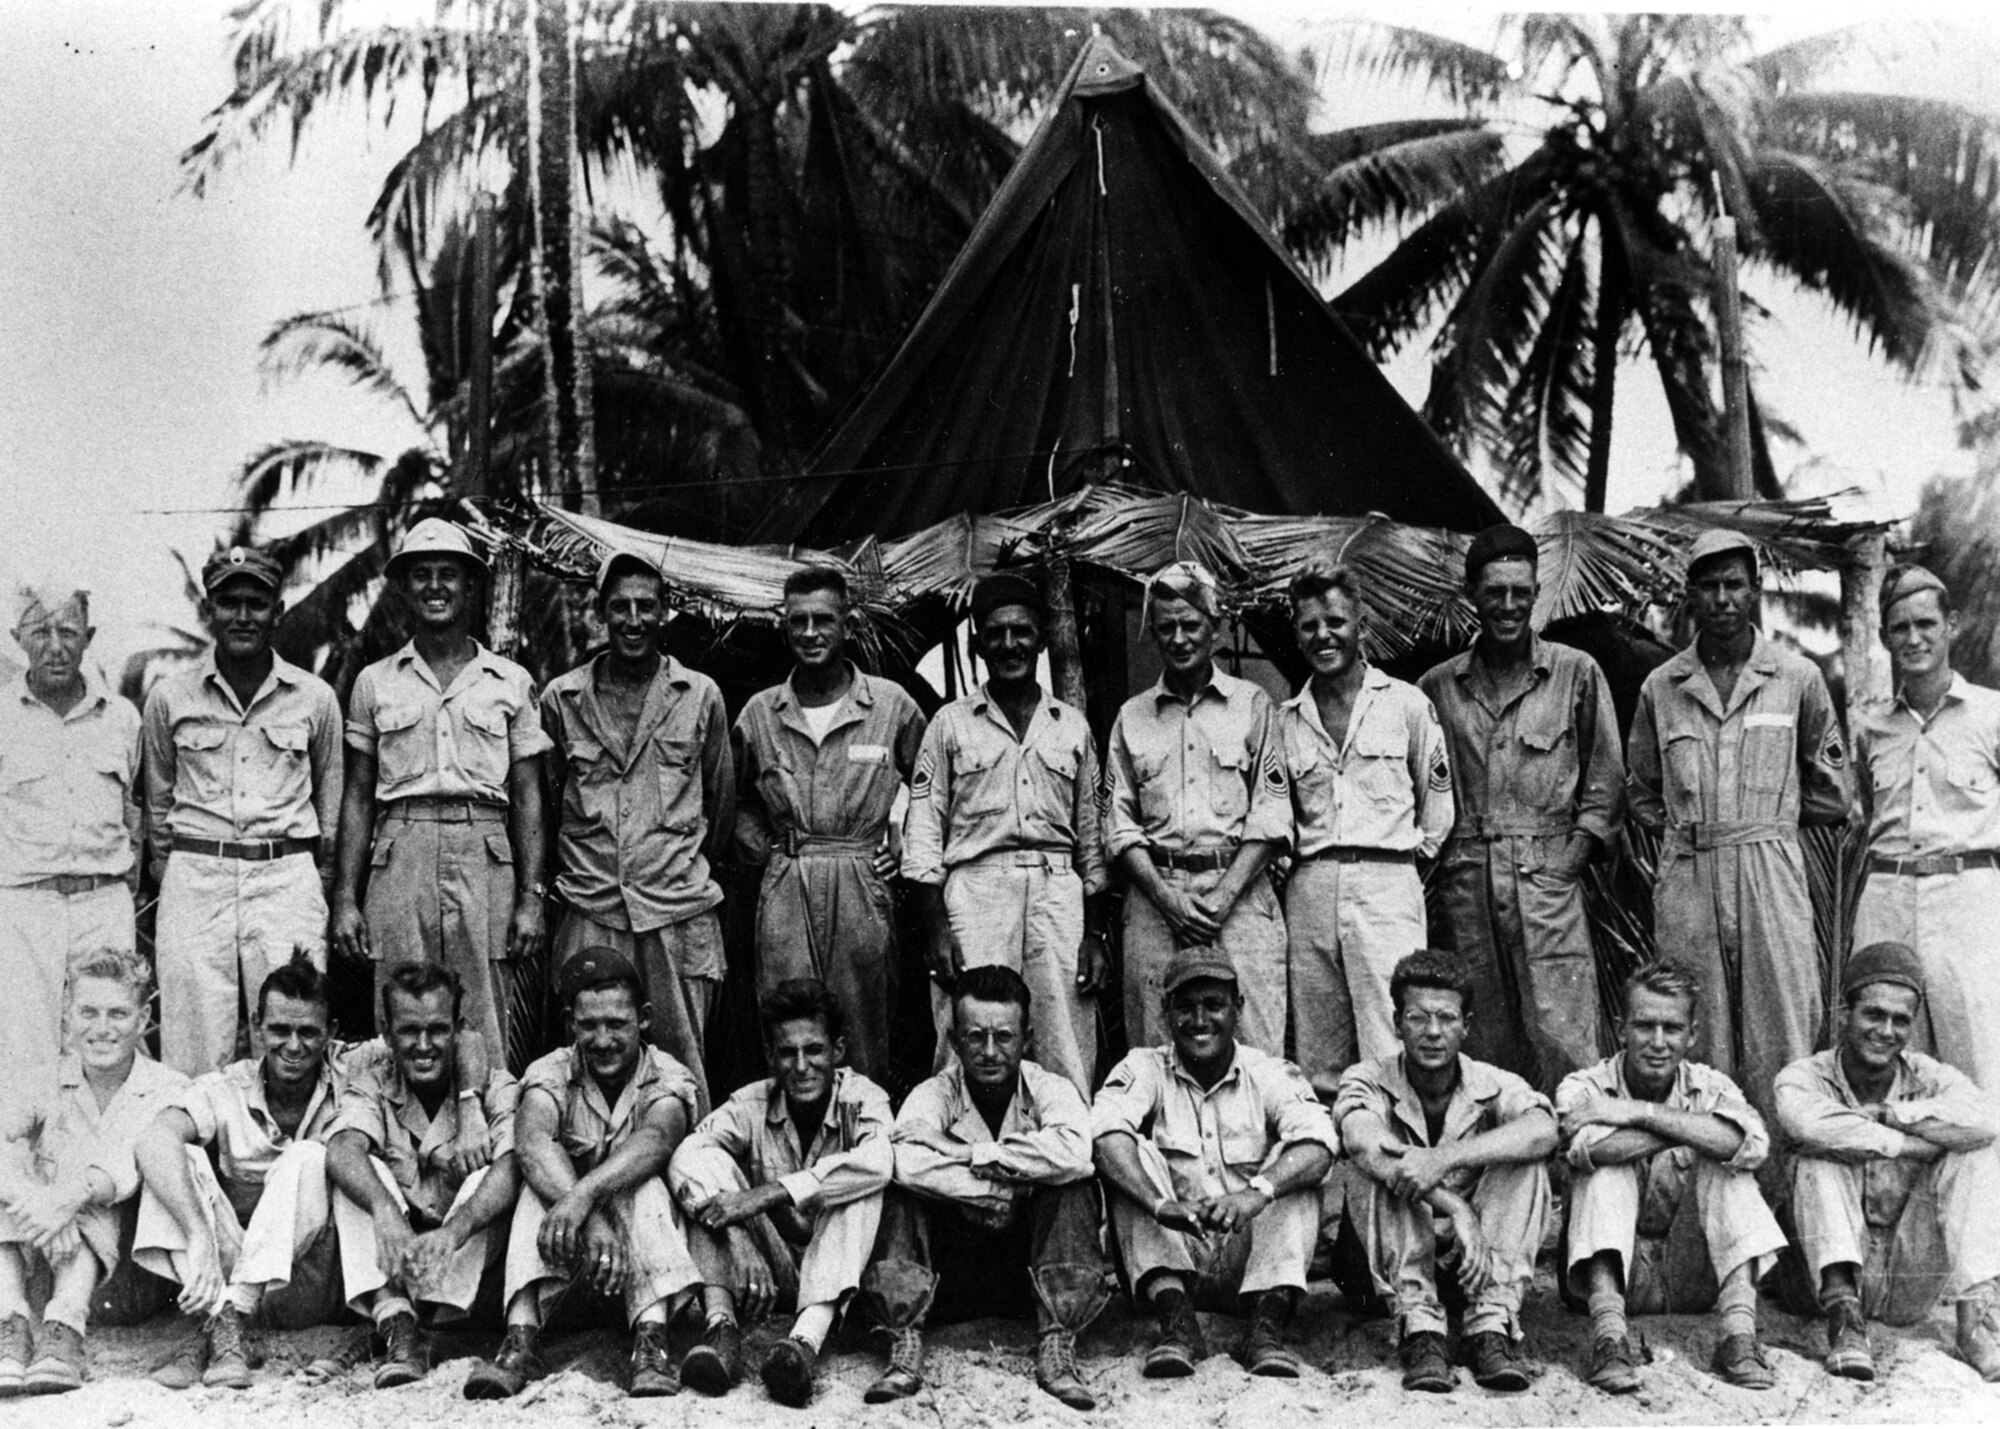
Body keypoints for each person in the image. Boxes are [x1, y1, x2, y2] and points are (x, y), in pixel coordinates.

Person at [1628, 528, 1852, 1130]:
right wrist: (1694, 833)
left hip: (1769, 869)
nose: (1722, 598)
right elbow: (1642, 793)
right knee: (1693, 1033)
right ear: (1690, 597)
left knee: (1781, 1027)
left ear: (1755, 591)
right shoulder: (1662, 687)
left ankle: (1784, 1192)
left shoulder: (1796, 678)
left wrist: (1767, 828)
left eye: (1734, 585)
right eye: (1709, 587)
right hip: (1691, 874)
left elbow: (1832, 793)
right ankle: (1703, 1200)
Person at [333, 517, 551, 1063]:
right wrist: (344, 897)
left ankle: (491, 1139)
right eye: (421, 574)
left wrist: (530, 897)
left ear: (471, 585)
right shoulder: (375, 682)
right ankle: (399, 1144)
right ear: (405, 587)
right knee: (402, 1014)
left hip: (485, 853)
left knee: (486, 1020)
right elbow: (358, 796)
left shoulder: (510, 680)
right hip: (399, 854)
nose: (435, 586)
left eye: (448, 574)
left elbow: (528, 798)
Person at [1420, 523, 1623, 1091]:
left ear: (1537, 593)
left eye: (1519, 592)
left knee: (1564, 1032)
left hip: (1547, 880)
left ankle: (1578, 1156)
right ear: (1472, 596)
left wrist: (1571, 860)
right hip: (1468, 881)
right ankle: (1499, 1162)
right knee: (1481, 1036)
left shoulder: (1574, 672)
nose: (1508, 606)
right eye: (1494, 593)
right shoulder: (1438, 687)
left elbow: (1606, 781)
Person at [862, 965, 1108, 1411]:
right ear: (955, 1042)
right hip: (949, 1276)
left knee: (1073, 1188)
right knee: (899, 1193)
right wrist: (992, 1192)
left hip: (1031, 1274)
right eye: (975, 1037)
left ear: (1028, 1040)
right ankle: (903, 1337)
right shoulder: (934, 1093)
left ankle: (1058, 1342)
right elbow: (905, 1161)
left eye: (1004, 1037)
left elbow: (1075, 1153)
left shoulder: (1051, 1089)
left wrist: (971, 1155)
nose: (990, 1051)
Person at [901, 571, 1109, 1095]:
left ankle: (1066, 1158)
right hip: (976, 893)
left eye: (1021, 632)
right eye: (995, 633)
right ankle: (955, 1156)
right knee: (969, 1033)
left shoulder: (1071, 725)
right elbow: (923, 831)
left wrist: (1095, 932)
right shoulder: (949, 725)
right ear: (977, 644)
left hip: (1057, 893)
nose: (1009, 644)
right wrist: (934, 927)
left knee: (1063, 1037)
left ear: (1040, 640)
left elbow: (1092, 837)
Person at [541, 551, 735, 1111]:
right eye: (619, 607)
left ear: (665, 612)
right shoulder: (563, 698)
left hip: (675, 912)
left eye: (646, 607)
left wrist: (673, 864)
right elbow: (547, 806)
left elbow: (719, 806)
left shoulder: (700, 696)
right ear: (601, 613)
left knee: (683, 1073)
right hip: (591, 908)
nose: (633, 620)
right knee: (583, 1076)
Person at [464, 946, 702, 1401]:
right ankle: (521, 1339)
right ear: (571, 1022)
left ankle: (651, 1345)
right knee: (535, 1186)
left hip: (644, 1272)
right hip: (567, 1261)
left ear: (644, 1019)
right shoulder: (552, 1069)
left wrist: (582, 1197)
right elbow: (532, 1142)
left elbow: (656, 1140)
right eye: (589, 1025)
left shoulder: (667, 1074)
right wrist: (584, 1213)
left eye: (617, 1024)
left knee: (643, 1182)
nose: (603, 1039)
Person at [142, 545, 343, 1077]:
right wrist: (177, 868)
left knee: (291, 1034)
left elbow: (331, 800)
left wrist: (315, 877)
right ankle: (188, 1157)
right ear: (210, 610)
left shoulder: (314, 698)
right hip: (196, 876)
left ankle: (290, 1155)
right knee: (191, 1036)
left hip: (284, 878)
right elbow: (158, 802)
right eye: (229, 603)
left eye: (257, 603)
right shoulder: (170, 697)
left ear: (277, 612)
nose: (243, 616)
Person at [1092, 947, 1335, 1380]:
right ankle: (1178, 1325)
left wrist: (1255, 1193)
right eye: (1185, 1007)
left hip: (1251, 1258)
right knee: (1130, 1157)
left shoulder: (1268, 1071)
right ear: (1166, 1011)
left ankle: (1266, 1329)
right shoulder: (1144, 1067)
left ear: (1238, 1008)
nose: (1199, 1020)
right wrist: (1160, 1205)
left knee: (1293, 1166)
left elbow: (1320, 1142)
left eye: (1213, 1005)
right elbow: (1104, 1133)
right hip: (1176, 1254)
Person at [1556, 960, 1785, 1395]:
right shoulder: (1585, 1086)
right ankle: (1608, 1339)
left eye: (1672, 1029)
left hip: (1692, 1277)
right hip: (1605, 1278)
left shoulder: (1711, 1085)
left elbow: (1750, 1145)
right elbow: (1589, 1146)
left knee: (1730, 1169)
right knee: (1607, 1169)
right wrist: (1689, 1128)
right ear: (1622, 1028)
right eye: (1645, 1026)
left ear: (1692, 1035)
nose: (1658, 1043)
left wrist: (1639, 1113)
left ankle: (1738, 1336)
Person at [131, 955, 361, 1388]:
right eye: (279, 1030)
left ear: (329, 1034)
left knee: (308, 1156)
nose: (293, 1046)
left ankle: (225, 1321)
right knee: (182, 1157)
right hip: (222, 1276)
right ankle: (226, 1323)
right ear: (257, 1027)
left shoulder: (354, 1072)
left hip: (305, 1286)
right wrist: (199, 1233)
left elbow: (453, 1035)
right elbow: (153, 1141)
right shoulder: (228, 1086)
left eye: (308, 1032)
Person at [1776, 940, 2000, 1383]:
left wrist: (1893, 1115)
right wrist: (1915, 1143)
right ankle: (1846, 1325)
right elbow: (1807, 1124)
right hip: (1817, 1284)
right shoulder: (1807, 1076)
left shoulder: (1928, 1075)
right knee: (1819, 1158)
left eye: (1900, 1020)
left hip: (1906, 1278)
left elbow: (1987, 1121)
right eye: (1873, 1014)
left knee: (1975, 1155)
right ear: (1845, 1014)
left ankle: (1975, 1323)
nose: (1886, 1031)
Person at [733, 567, 925, 1082]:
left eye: (824, 619)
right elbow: (730, 796)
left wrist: (904, 834)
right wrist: (758, 840)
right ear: (785, 626)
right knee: (785, 1020)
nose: (811, 633)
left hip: (862, 877)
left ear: (849, 623)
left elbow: (932, 785)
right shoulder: (760, 714)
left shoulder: (890, 706)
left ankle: (864, 1143)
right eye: (799, 622)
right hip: (788, 880)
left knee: (860, 1022)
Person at [1334, 950, 1555, 1394]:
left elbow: (1543, 1130)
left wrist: (1445, 1158)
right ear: (1397, 1023)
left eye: (1447, 1019)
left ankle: (1490, 1324)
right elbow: (1361, 1138)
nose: (1433, 1032)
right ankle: (1421, 1332)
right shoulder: (1368, 1077)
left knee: (1526, 1161)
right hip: (1380, 1270)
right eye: (1418, 1018)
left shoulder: (1493, 1082)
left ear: (1466, 1026)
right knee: (1374, 1165)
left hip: (1471, 1266)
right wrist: (1456, 1206)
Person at [669, 978, 891, 1407]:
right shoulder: (752, 1103)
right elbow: (685, 1156)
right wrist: (736, 1228)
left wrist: (770, 1194)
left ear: (838, 1051)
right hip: (763, 1271)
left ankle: (804, 1344)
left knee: (861, 1185)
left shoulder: (862, 1098)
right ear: (771, 1057)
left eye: (814, 1051)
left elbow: (881, 1161)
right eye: (788, 1053)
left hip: (839, 1272)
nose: (802, 1066)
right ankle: (721, 1331)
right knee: (706, 1171)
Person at [1276, 563, 1453, 1089]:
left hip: (1387, 880)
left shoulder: (1405, 704)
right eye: (1309, 626)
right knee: (1320, 1047)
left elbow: (1438, 803)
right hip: (1311, 886)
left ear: (1360, 623)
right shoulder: (1287, 718)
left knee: (1392, 1034)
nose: (1323, 636)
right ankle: (1338, 1160)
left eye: (1335, 621)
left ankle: (1398, 1155)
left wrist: (1406, 868)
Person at [1107, 561, 1291, 1055]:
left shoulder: (1254, 705)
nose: (1180, 638)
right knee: (1153, 1045)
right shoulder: (1132, 717)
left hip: (1239, 896)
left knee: (1256, 1044)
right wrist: (1168, 901)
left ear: (1214, 628)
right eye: (1166, 627)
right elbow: (1119, 825)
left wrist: (1224, 896)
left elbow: (1272, 813)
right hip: (1155, 901)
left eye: (1191, 625)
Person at [324, 963, 521, 1389]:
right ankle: (399, 1325)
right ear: (387, 1032)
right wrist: (383, 1209)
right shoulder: (374, 1082)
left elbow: (513, 1166)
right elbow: (342, 1148)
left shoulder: (495, 1084)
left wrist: (456, 1230)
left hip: (466, 1277)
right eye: (410, 1031)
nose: (424, 1045)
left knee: (489, 1172)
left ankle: (434, 1331)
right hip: (401, 1263)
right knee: (359, 1172)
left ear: (459, 1029)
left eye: (438, 1029)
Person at [0, 951, 187, 1394]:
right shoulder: (45, 1079)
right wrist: (32, 1197)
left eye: (117, 1014)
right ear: (68, 1015)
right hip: (43, 1260)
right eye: (88, 1012)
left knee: (86, 1184)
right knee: (12, 1168)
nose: (101, 1029)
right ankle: (9, 1323)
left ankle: (66, 1330)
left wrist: (66, 1198)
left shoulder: (167, 1088)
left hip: (130, 1278)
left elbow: (127, 1170)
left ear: (143, 1019)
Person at [1852, 563, 2000, 1089]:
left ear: (1951, 625)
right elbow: (1864, 813)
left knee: (1978, 1050)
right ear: (1885, 637)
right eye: (1900, 629)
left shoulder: (1990, 716)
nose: (1913, 639)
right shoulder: (1872, 728)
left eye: (1925, 625)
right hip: (1887, 897)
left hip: (1968, 900)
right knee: (1888, 1055)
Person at [0, 586, 140, 1100]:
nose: (55, 646)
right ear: (18, 639)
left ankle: (104, 1169)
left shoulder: (123, 719)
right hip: (22, 906)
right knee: (22, 1048)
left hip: (104, 902)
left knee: (106, 1041)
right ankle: (25, 1173)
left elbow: (138, 818)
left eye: (68, 632)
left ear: (89, 639)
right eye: (40, 632)